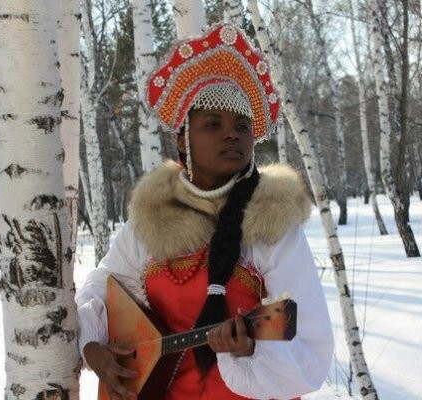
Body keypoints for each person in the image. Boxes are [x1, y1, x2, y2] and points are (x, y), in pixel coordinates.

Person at [75, 22, 333, 400]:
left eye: (242, 126)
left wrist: (247, 350)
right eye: (213, 123)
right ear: (183, 139)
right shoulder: (153, 217)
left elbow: (311, 349)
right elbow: (105, 285)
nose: (232, 134)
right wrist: (92, 346)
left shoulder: (271, 224)